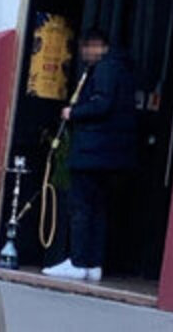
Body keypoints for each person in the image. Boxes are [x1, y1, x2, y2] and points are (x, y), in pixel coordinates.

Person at [42, 29, 137, 281]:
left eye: (87, 48)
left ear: (97, 46)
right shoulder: (121, 69)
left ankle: (78, 261)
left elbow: (102, 104)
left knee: (81, 207)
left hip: (91, 151)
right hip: (107, 154)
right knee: (97, 208)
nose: (84, 54)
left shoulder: (104, 70)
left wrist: (73, 113)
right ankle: (93, 263)